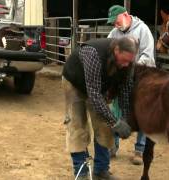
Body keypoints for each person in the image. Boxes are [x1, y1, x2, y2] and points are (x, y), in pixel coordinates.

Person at [62, 37, 138, 180]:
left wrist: (124, 118)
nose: (126, 65)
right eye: (124, 60)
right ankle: (81, 172)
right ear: (116, 50)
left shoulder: (128, 63)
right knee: (77, 126)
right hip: (74, 82)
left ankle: (101, 170)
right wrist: (115, 123)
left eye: (130, 61)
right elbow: (94, 95)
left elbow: (125, 89)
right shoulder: (94, 54)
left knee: (104, 126)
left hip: (97, 86)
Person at [107, 5, 156, 165]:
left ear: (126, 15)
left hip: (141, 79)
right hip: (122, 79)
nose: (115, 25)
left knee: (142, 113)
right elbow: (108, 52)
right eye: (113, 23)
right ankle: (112, 146)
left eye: (117, 21)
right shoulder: (114, 33)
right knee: (115, 110)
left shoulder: (143, 30)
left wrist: (130, 68)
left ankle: (139, 150)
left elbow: (147, 55)